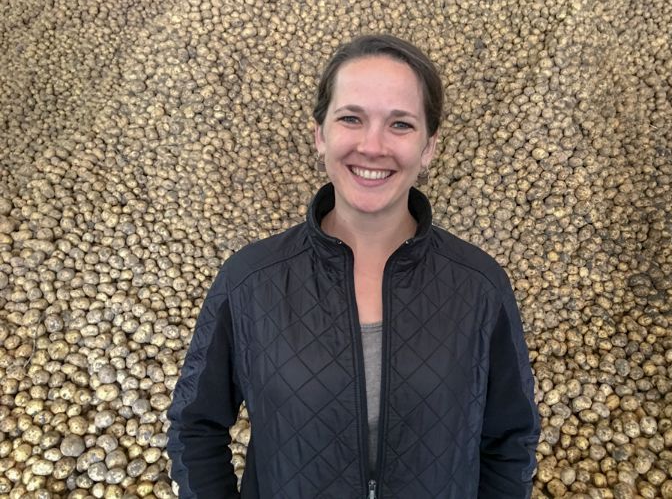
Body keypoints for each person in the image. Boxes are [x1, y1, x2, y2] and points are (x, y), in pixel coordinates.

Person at [167, 34, 540, 499]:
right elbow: (195, 428)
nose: (373, 145)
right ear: (320, 134)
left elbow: (509, 441)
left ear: (429, 147)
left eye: (400, 124)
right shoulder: (250, 281)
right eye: (351, 118)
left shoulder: (480, 286)